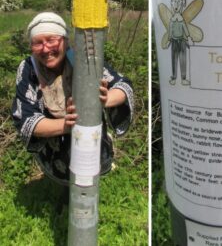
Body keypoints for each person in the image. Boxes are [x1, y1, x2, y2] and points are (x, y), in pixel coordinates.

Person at [12, 12, 134, 186]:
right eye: (38, 43)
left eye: (51, 40)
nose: (46, 49)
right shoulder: (28, 68)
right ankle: (64, 195)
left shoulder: (82, 61)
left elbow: (123, 86)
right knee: (65, 186)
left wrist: (105, 99)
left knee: (93, 180)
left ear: (65, 40)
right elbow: (25, 118)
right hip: (55, 147)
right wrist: (65, 125)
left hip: (91, 140)